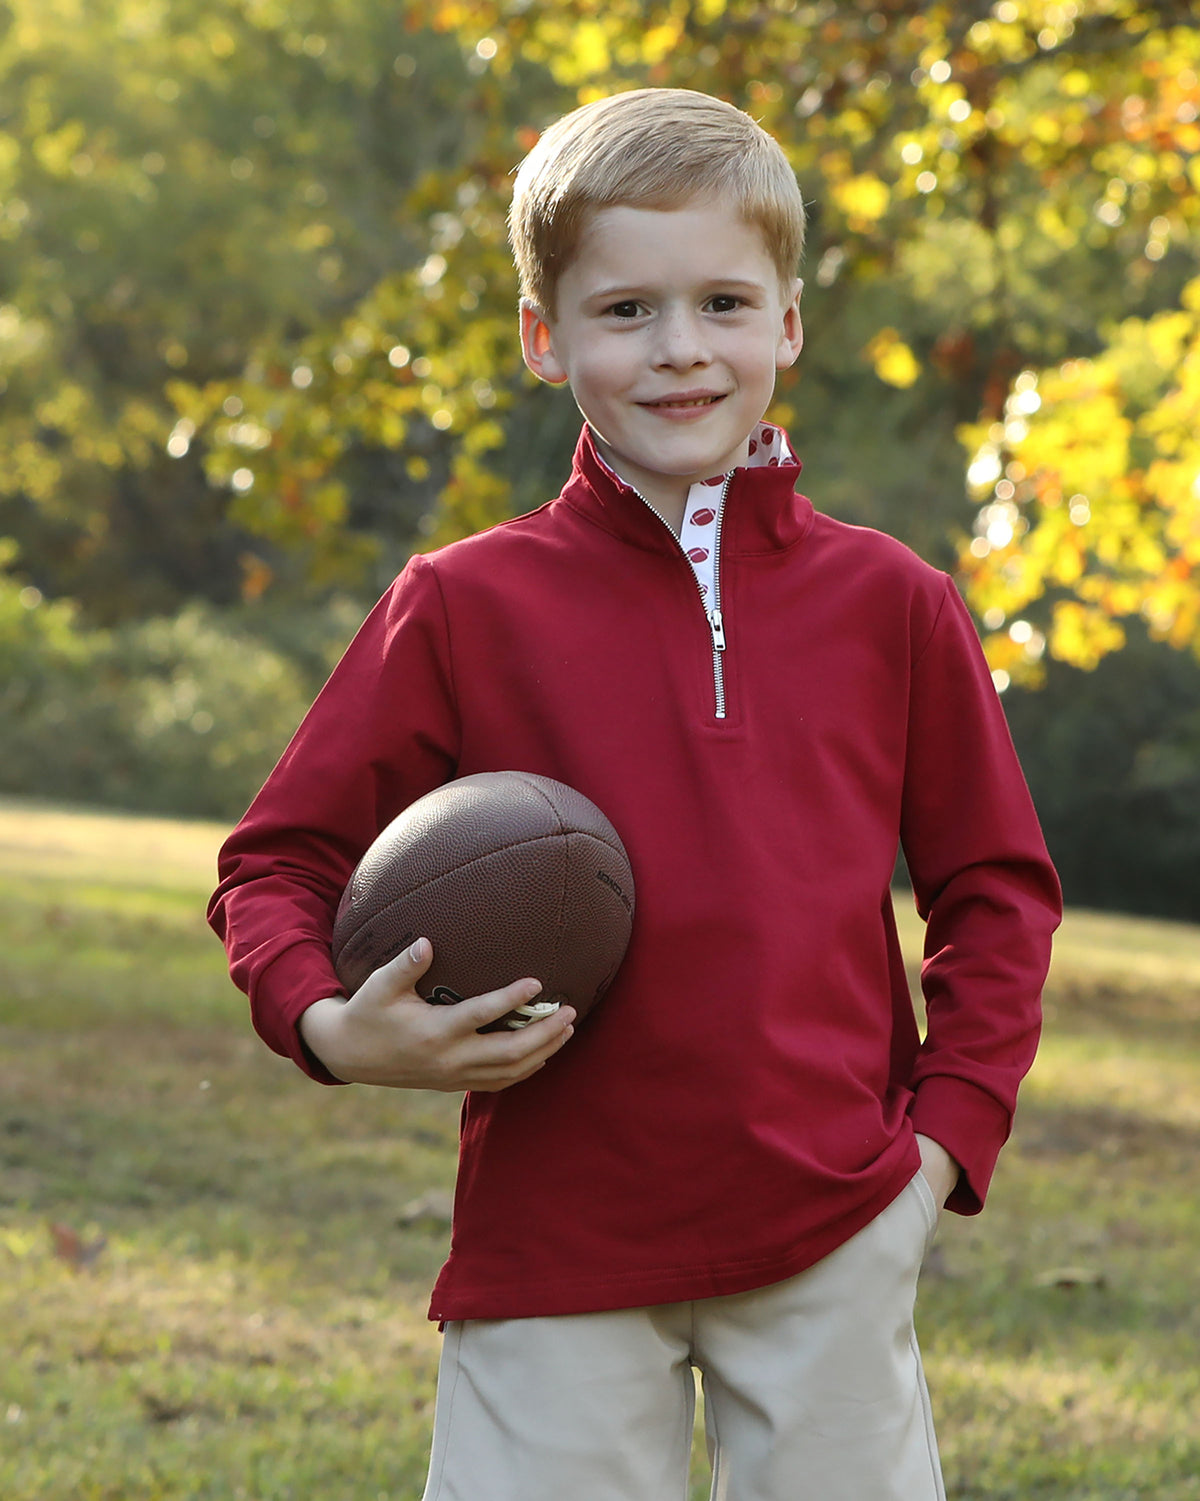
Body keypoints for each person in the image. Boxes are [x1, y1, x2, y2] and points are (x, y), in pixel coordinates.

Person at [209, 88, 1061, 1501]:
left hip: (837, 1211)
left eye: (725, 302)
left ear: (789, 322)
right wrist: (325, 1020)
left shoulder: (893, 604)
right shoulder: (465, 602)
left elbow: (996, 890)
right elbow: (278, 859)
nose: (681, 351)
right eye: (625, 311)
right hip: (556, 1230)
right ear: (548, 338)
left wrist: (941, 1148)